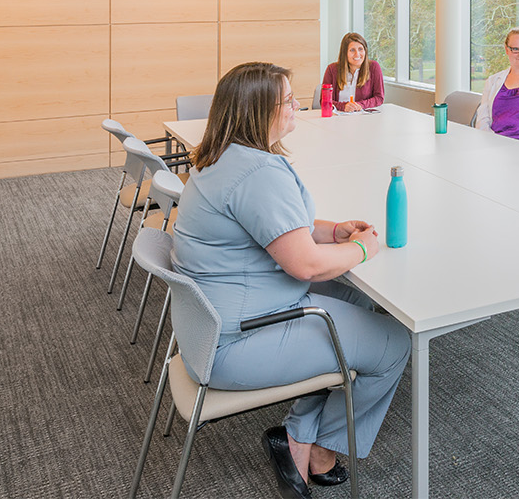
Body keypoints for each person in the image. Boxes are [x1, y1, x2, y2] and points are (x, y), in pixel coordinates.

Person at [171, 62, 410, 499]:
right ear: (259, 111)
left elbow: (275, 226)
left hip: (212, 324)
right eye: (286, 100)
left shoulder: (223, 157)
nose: (296, 105)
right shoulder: (257, 174)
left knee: (357, 304)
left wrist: (333, 230)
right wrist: (362, 249)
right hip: (237, 342)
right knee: (395, 343)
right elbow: (306, 266)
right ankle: (321, 449)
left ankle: (297, 431)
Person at [319, 32, 385, 112]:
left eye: (360, 49)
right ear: (345, 53)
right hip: (338, 117)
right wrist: (343, 106)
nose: (357, 54)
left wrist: (360, 105)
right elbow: (324, 101)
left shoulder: (374, 67)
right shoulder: (332, 70)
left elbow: (379, 98)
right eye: (352, 50)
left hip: (363, 118)